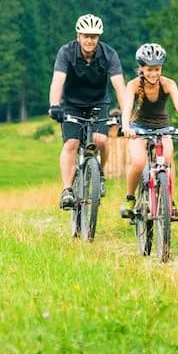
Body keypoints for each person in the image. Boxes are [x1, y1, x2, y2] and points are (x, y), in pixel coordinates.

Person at [48, 14, 128, 210]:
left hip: (98, 103)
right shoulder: (66, 52)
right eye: (86, 36)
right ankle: (67, 190)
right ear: (78, 36)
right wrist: (54, 105)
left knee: (101, 140)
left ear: (98, 38)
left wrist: (125, 115)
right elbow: (58, 80)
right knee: (72, 143)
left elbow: (119, 85)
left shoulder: (109, 54)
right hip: (71, 105)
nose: (90, 40)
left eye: (94, 36)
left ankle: (100, 174)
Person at [119, 43, 178, 219]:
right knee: (139, 162)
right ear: (141, 68)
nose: (154, 74)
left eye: (157, 69)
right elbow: (127, 108)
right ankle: (130, 198)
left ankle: (170, 201)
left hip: (162, 127)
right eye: (149, 70)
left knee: (168, 160)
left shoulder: (168, 84)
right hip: (138, 128)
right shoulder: (133, 85)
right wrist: (125, 127)